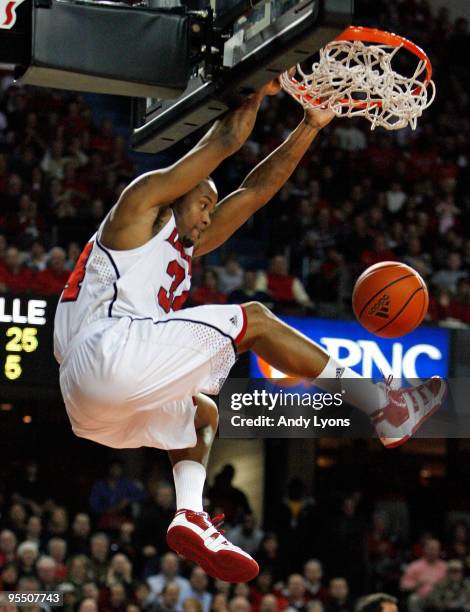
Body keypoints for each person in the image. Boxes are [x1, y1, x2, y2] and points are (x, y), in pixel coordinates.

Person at [54, 77, 445, 583]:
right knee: (254, 319)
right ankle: (381, 403)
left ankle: (190, 513)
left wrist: (310, 125)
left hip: (90, 405)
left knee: (202, 413)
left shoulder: (184, 243)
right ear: (179, 190)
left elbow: (256, 191)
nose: (209, 213)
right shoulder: (137, 207)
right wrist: (257, 84)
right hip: (106, 351)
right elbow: (222, 144)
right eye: (203, 201)